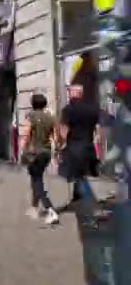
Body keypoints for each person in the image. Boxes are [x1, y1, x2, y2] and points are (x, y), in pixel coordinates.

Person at [58, 84, 101, 220]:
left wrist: (61, 145)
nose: (69, 93)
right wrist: (94, 141)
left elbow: (64, 130)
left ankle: (95, 209)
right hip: (88, 147)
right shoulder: (93, 109)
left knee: (80, 178)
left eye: (69, 91)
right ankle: (76, 199)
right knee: (80, 176)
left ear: (74, 94)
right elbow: (98, 129)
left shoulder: (68, 110)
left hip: (74, 148)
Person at [19, 94, 59, 225]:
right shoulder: (51, 117)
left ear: (32, 104)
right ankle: (34, 209)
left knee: (37, 182)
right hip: (46, 153)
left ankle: (50, 210)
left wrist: (21, 150)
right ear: (45, 104)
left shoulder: (31, 116)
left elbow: (26, 134)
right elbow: (55, 137)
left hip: (34, 153)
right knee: (37, 179)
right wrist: (55, 155)